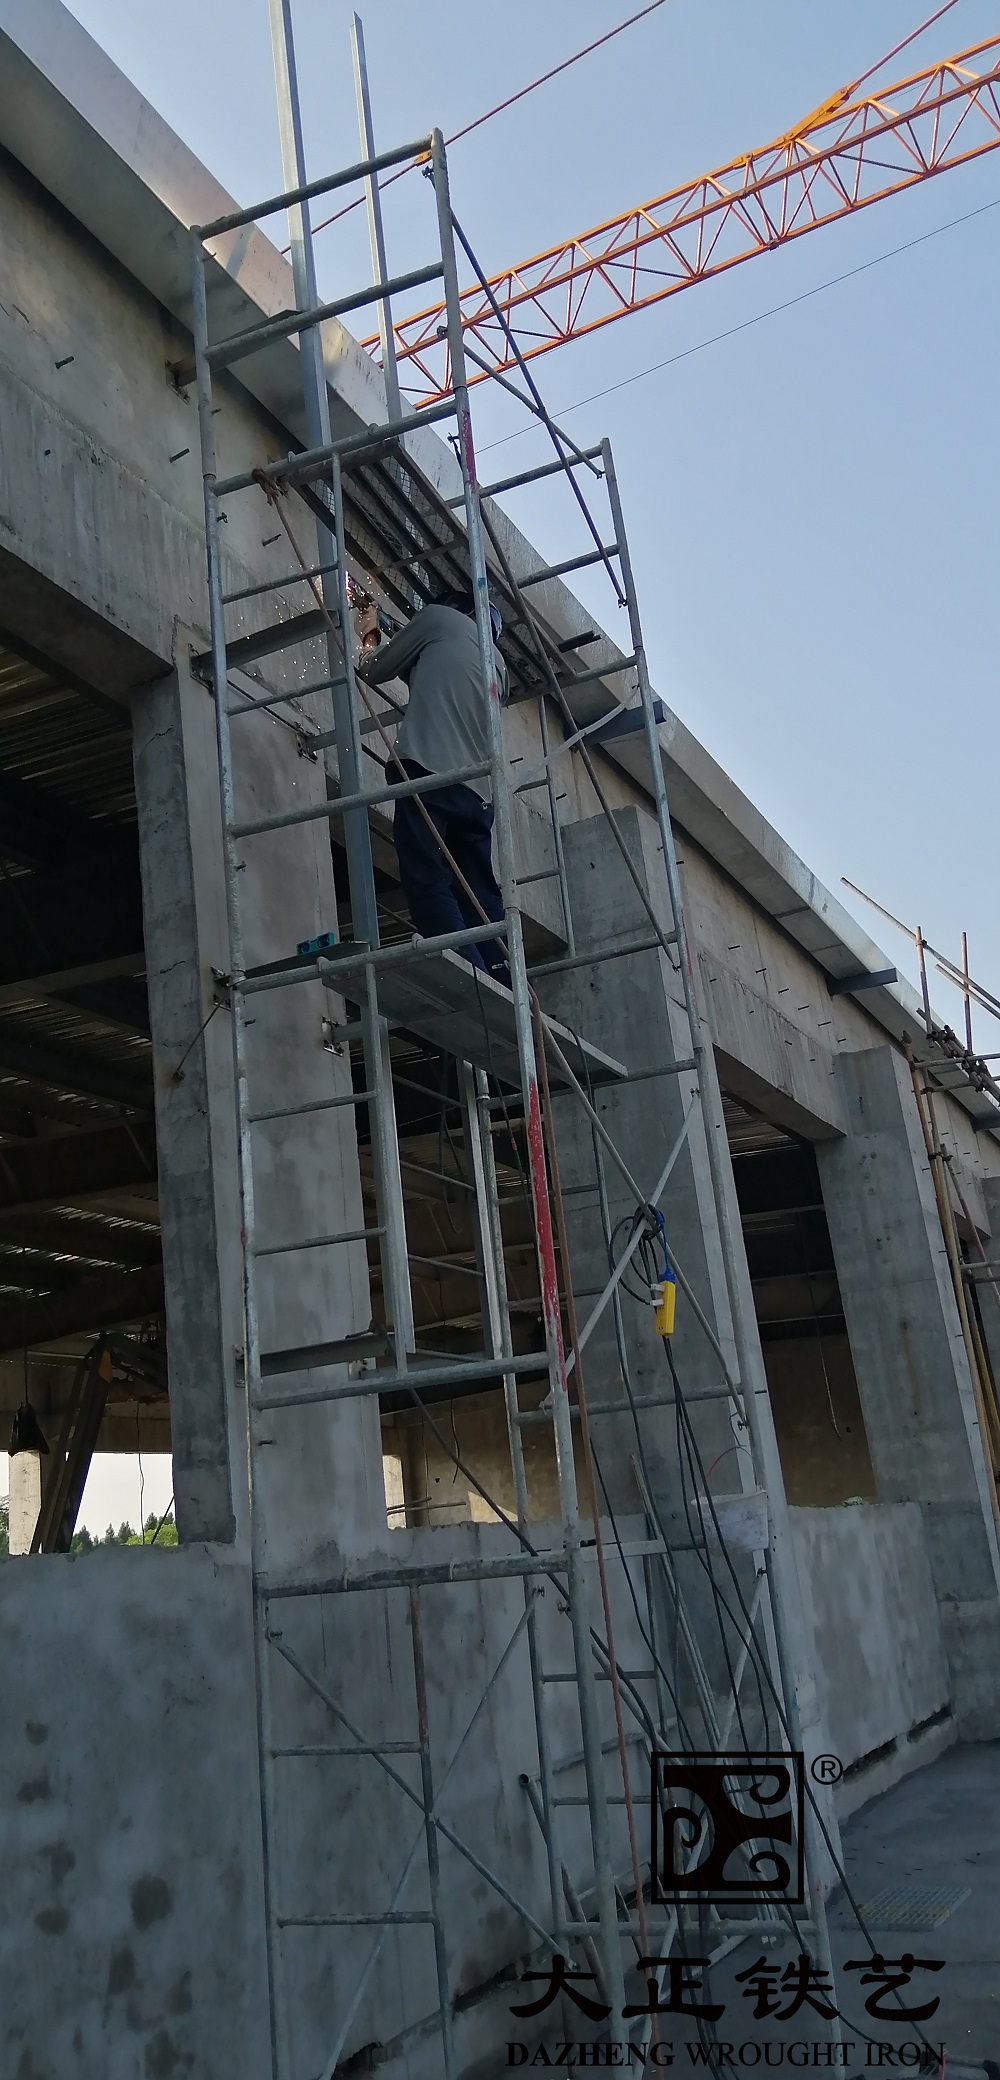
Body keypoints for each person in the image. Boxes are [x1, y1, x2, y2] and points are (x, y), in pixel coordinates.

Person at [354, 592, 511, 984]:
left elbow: (372, 669)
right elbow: (433, 675)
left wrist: (370, 634)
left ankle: (466, 973)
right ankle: (504, 977)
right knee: (478, 891)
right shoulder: (498, 664)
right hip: (477, 794)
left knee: (427, 874)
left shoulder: (437, 617)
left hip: (428, 772)